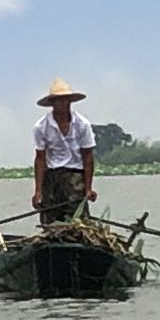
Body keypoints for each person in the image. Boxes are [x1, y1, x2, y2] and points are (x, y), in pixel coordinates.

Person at [30, 78, 98, 224]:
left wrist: (88, 188)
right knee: (51, 217)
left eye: (66, 100)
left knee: (78, 219)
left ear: (70, 102)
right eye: (59, 101)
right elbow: (40, 159)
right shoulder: (41, 126)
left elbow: (87, 157)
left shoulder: (82, 124)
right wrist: (38, 191)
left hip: (75, 176)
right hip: (52, 176)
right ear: (52, 103)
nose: (63, 104)